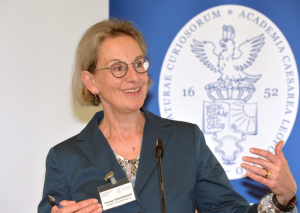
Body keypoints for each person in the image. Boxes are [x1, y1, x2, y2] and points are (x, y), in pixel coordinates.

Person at [38, 18, 297, 213]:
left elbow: (229, 210)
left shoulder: (186, 140)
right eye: (118, 68)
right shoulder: (64, 158)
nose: (134, 76)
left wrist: (281, 201)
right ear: (91, 81)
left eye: (139, 64)